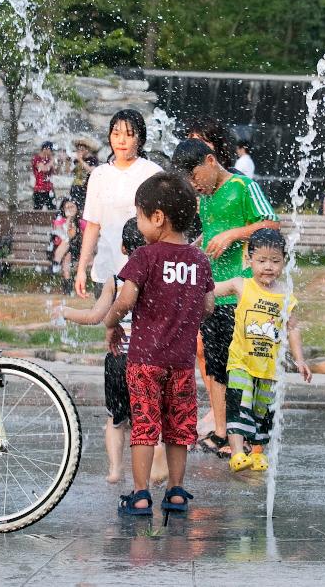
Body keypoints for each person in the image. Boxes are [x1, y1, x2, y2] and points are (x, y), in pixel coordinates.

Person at [104, 173, 214, 516]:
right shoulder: (199, 260)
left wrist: (111, 323)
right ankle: (177, 492)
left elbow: (125, 301)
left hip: (145, 361)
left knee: (145, 427)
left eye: (139, 215)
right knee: (180, 429)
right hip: (181, 362)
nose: (138, 223)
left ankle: (139, 495)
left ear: (157, 218)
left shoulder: (146, 257)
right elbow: (208, 306)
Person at [170, 138, 280, 459]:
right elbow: (213, 230)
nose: (193, 185)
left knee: (242, 368)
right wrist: (196, 246)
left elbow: (271, 224)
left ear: (209, 161)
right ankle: (221, 431)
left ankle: (245, 435)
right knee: (216, 366)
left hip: (245, 293)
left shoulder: (243, 187)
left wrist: (233, 234)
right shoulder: (204, 199)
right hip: (214, 294)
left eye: (194, 177)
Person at [58, 218, 166, 486]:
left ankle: (116, 470)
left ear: (122, 248)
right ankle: (155, 466)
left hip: (118, 361)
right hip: (149, 360)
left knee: (115, 420)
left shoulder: (116, 282)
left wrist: (66, 312)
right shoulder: (160, 280)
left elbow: (96, 316)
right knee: (152, 418)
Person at [211, 229, 311, 473]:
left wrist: (300, 360)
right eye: (262, 260)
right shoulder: (241, 285)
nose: (268, 267)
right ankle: (236, 453)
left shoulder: (286, 296)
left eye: (275, 261)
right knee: (238, 405)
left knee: (262, 411)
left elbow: (293, 329)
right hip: (241, 362)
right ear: (249, 260)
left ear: (284, 262)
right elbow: (210, 289)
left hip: (268, 367)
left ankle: (257, 453)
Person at [73, 110, 162, 298]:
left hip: (145, 271)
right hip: (107, 269)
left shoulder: (153, 174)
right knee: (111, 326)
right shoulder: (99, 175)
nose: (121, 141)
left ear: (140, 139)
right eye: (116, 134)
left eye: (129, 135)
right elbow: (92, 226)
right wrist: (81, 269)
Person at [51, 198, 82, 280]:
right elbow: (60, 234)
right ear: (63, 209)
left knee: (67, 245)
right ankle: (68, 285)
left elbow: (71, 235)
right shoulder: (60, 219)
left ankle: (56, 262)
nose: (69, 209)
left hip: (76, 248)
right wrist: (68, 219)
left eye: (71, 207)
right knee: (67, 257)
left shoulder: (79, 220)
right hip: (59, 246)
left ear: (76, 208)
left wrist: (70, 220)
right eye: (67, 207)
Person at [70, 136, 101, 211]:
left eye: (82, 149)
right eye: (78, 149)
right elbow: (70, 172)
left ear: (87, 150)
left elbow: (92, 170)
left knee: (84, 209)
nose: (79, 151)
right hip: (75, 187)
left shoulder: (93, 159)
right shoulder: (76, 160)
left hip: (86, 188)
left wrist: (80, 160)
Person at [31, 141, 57, 210]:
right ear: (45, 149)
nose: (51, 152)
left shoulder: (48, 159)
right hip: (39, 189)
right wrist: (52, 161)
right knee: (37, 212)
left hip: (49, 189)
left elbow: (55, 171)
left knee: (53, 210)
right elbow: (44, 169)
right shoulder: (36, 159)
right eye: (50, 150)